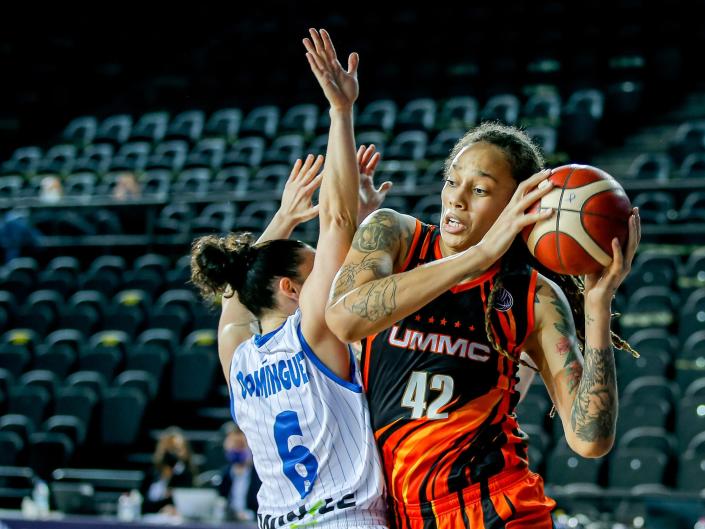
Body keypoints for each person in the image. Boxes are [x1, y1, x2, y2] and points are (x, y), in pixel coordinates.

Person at [326, 122, 641, 529]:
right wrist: (479, 254)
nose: (456, 198)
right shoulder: (396, 235)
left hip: (497, 505)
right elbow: (344, 319)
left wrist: (598, 308)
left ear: (518, 205)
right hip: (404, 514)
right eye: (452, 181)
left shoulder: (534, 296)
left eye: (479, 190)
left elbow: (590, 440)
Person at [190, 29, 388, 528]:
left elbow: (240, 294)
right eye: (315, 263)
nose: (329, 266)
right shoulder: (313, 333)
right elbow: (337, 224)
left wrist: (281, 221)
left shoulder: (238, 359)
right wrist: (340, 112)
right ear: (291, 289)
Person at [142, 427, 197, 515]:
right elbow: (143, 501)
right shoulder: (152, 473)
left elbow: (189, 504)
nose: (173, 454)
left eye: (178, 449)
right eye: (170, 448)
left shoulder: (186, 475)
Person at [217, 423, 260, 521]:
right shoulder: (225, 475)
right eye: (233, 446)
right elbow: (221, 501)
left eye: (240, 445)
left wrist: (250, 515)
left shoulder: (259, 476)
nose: (236, 450)